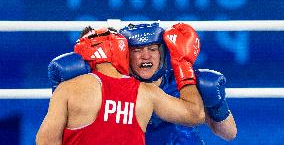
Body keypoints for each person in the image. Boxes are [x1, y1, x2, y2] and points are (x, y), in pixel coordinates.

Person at [46, 22, 237, 144]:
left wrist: (217, 103)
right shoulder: (117, 89)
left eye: (153, 49)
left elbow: (229, 133)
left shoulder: (188, 86)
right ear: (125, 54)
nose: (146, 56)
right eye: (138, 50)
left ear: (163, 52)